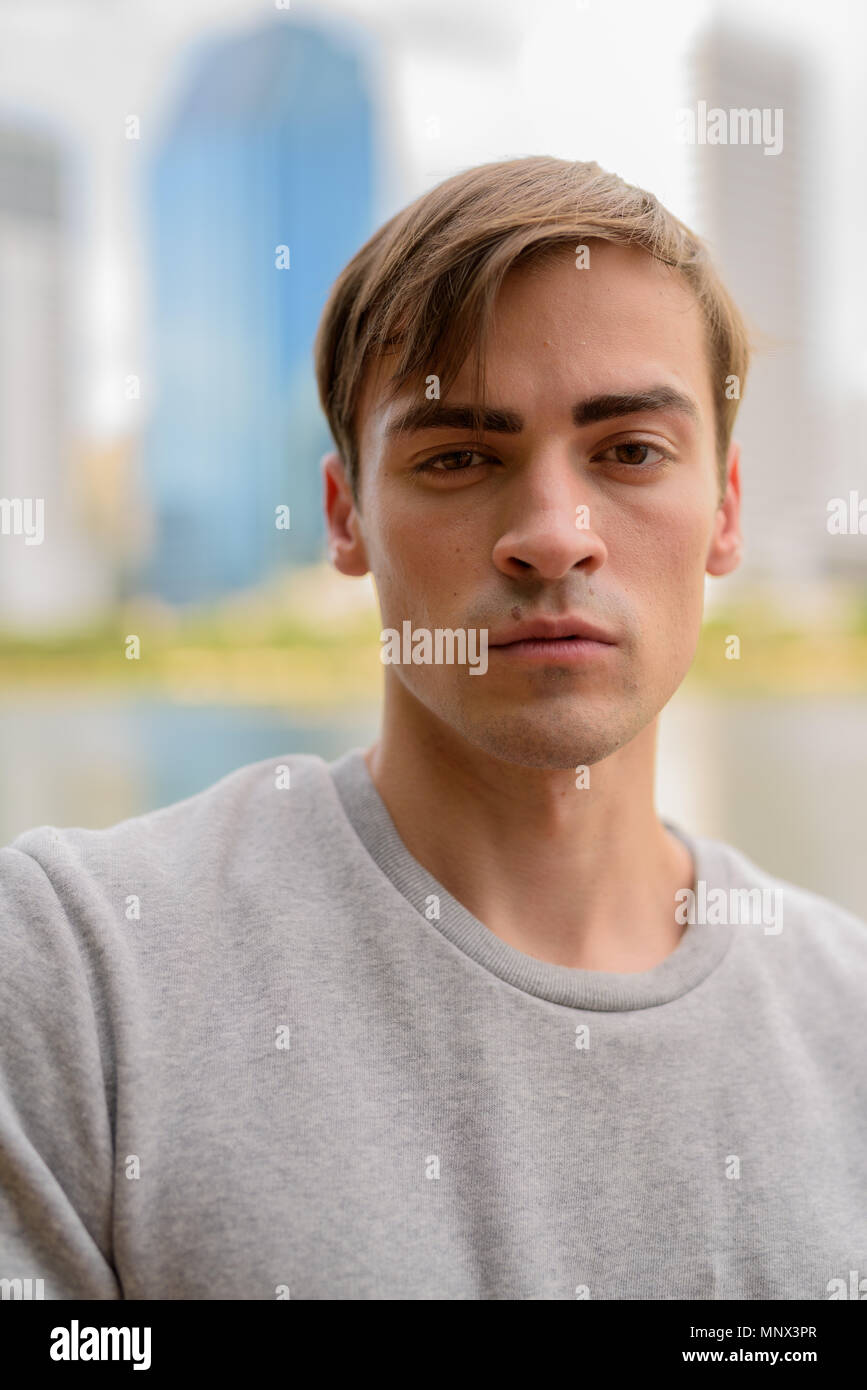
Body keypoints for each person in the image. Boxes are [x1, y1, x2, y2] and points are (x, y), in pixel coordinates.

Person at [1, 156, 865, 1301]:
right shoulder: (77, 968)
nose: (554, 536)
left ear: (728, 508)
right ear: (345, 512)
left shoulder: (849, 1017)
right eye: (459, 456)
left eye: (630, 452)